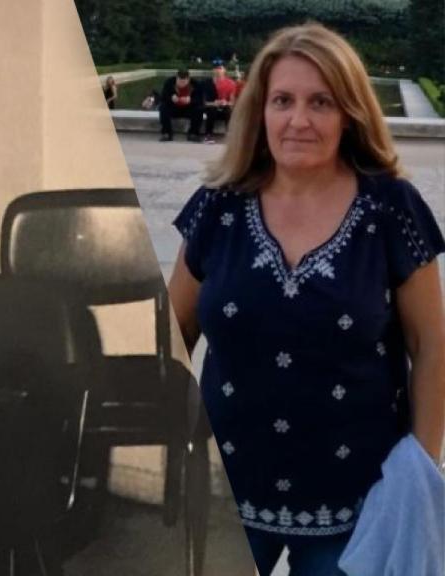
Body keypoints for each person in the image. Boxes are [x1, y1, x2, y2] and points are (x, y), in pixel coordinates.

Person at [167, 23, 445, 575]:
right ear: (259, 111)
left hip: (357, 502)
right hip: (229, 494)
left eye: (321, 102)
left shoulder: (391, 209)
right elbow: (170, 334)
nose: (299, 120)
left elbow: (432, 344)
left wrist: (419, 468)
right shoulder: (217, 208)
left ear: (350, 113)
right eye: (282, 101)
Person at [159, 68, 203, 142]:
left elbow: (200, 99)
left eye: (184, 82)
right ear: (176, 78)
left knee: (199, 109)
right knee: (163, 107)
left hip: (188, 108)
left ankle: (193, 133)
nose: (181, 84)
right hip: (174, 108)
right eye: (179, 81)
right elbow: (163, 97)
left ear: (188, 79)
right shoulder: (169, 82)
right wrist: (171, 98)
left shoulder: (196, 84)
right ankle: (167, 133)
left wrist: (191, 100)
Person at [201, 59, 237, 143]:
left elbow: (233, 102)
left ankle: (230, 134)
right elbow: (203, 102)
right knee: (211, 110)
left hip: (225, 108)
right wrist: (213, 103)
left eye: (220, 68)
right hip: (211, 108)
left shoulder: (231, 83)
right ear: (212, 70)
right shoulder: (206, 84)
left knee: (229, 110)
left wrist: (226, 103)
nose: (218, 70)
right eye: (215, 68)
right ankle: (208, 135)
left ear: (224, 70)